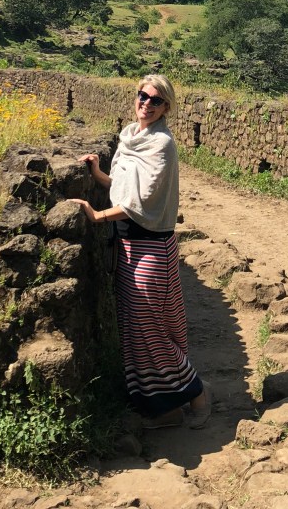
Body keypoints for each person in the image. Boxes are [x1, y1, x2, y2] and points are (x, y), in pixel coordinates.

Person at [70, 74, 211, 430]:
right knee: (135, 332)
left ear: (166, 107)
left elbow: (142, 201)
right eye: (142, 96)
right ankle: (165, 409)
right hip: (129, 246)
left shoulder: (162, 144)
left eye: (155, 100)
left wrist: (97, 215)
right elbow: (124, 188)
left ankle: (197, 392)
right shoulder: (130, 135)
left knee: (151, 331)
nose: (146, 103)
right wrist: (98, 173)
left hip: (151, 248)